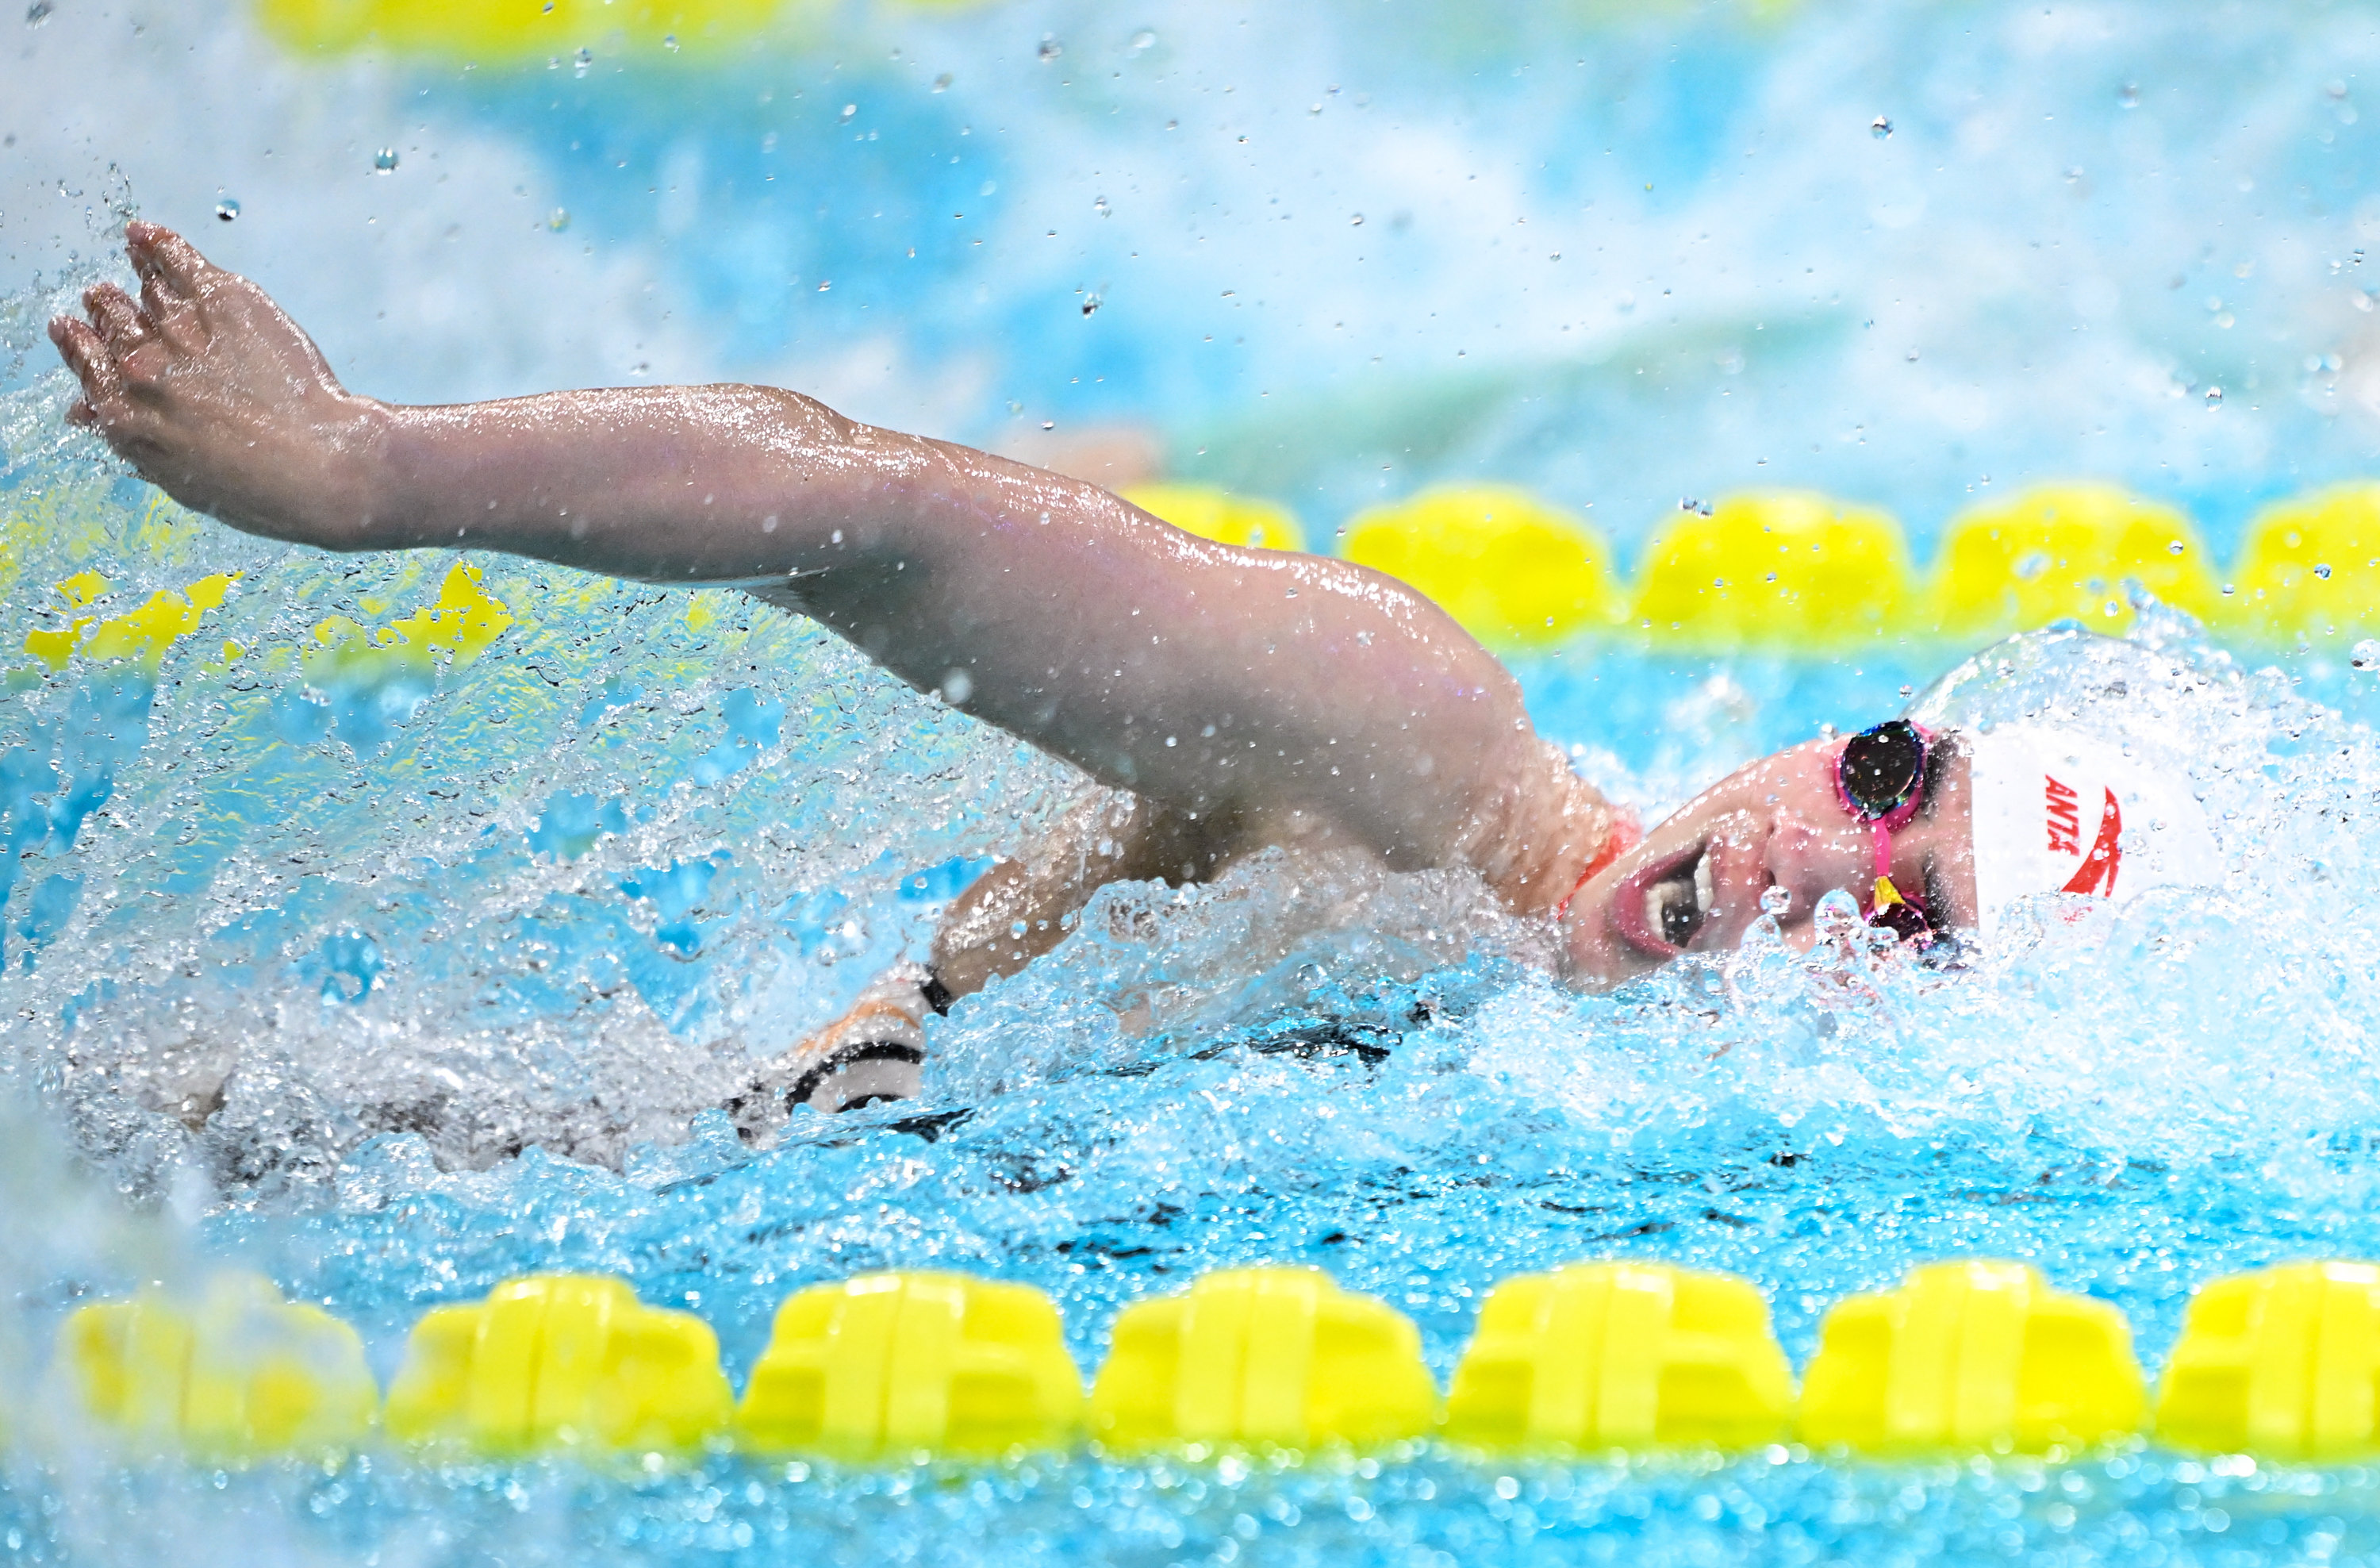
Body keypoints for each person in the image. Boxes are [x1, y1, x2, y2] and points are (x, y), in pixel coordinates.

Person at [44, 223, 2223, 1133]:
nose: (1815, 865)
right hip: (514, 1158)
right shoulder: (1416, 753)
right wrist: (365, 471)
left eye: (1917, 922)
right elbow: (883, 511)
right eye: (1878, 775)